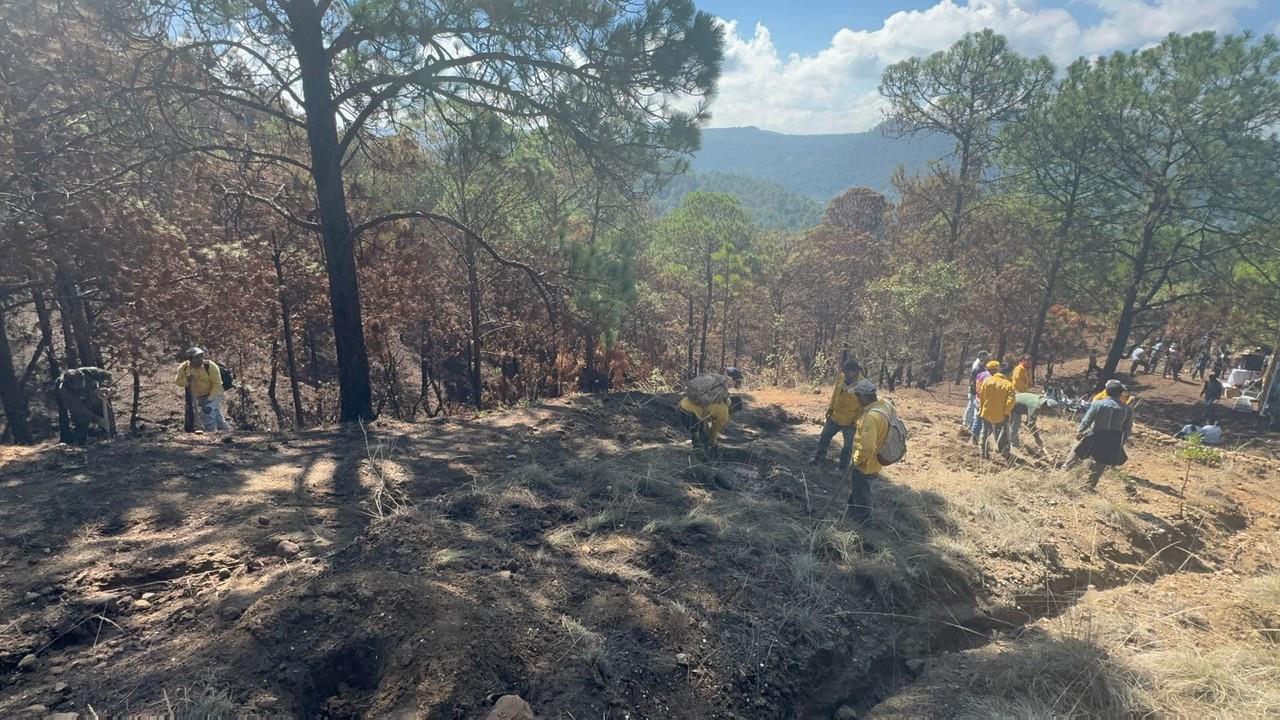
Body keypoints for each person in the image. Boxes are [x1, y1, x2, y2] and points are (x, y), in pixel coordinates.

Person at [1069, 380, 1134, 489]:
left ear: (1107, 392)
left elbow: (1087, 420)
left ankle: (1065, 469)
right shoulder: (1127, 410)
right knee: (1102, 461)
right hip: (1114, 438)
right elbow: (1127, 428)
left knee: (1077, 450)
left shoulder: (1098, 404)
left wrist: (1080, 431)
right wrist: (1121, 442)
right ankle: (1090, 485)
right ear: (1120, 393)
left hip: (1096, 434)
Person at [846, 379, 891, 522]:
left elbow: (867, 447)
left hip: (865, 464)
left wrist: (856, 459)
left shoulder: (871, 417)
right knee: (859, 490)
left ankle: (864, 521)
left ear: (864, 397)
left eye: (858, 396)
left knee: (862, 493)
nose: (856, 399)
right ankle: (851, 512)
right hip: (876, 460)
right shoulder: (885, 406)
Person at [810, 359, 866, 470]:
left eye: (850, 371)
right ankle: (818, 458)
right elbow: (835, 393)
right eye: (845, 371)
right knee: (824, 436)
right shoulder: (841, 377)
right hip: (835, 416)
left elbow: (863, 406)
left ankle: (842, 467)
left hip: (850, 420)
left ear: (856, 371)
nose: (847, 374)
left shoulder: (863, 384)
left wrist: (856, 420)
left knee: (848, 446)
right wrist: (830, 409)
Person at [175, 347, 230, 432]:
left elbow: (218, 385)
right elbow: (178, 381)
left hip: (214, 392)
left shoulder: (210, 366)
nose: (200, 359)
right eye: (196, 357)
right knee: (215, 413)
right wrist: (187, 380)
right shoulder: (184, 367)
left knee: (207, 411)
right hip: (199, 395)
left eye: (201, 356)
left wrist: (209, 400)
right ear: (190, 359)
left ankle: (211, 434)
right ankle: (225, 431)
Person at [57, 367, 114, 445]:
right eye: (76, 386)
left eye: (80, 384)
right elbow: (80, 410)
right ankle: (81, 445)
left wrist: (103, 386)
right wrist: (97, 420)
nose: (79, 387)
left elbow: (108, 375)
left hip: (96, 400)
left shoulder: (89, 372)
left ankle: (110, 439)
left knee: (107, 420)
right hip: (81, 408)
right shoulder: (64, 391)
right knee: (80, 422)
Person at [679, 375, 730, 457]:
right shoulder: (723, 412)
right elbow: (714, 430)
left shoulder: (710, 398)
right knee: (699, 436)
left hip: (681, 407)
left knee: (699, 430)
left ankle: (697, 449)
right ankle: (699, 457)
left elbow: (706, 417)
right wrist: (712, 442)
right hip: (691, 414)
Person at [977, 362, 1017, 460]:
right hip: (1000, 415)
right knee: (1001, 435)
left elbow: (981, 396)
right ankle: (1004, 453)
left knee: (985, 432)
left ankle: (983, 453)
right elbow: (1010, 402)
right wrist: (1006, 413)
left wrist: (981, 409)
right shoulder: (1009, 385)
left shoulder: (987, 381)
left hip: (986, 412)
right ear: (1009, 373)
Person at [962, 351, 991, 432]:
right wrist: (975, 389)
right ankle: (966, 422)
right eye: (986, 357)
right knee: (971, 406)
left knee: (972, 406)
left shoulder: (980, 366)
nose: (987, 359)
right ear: (981, 357)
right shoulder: (977, 366)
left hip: (975, 389)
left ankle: (968, 423)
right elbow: (974, 380)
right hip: (974, 390)